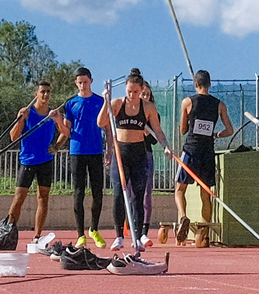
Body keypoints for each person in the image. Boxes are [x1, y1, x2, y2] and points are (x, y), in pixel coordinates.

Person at [0, 76, 65, 256]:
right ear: (36, 94)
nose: (46, 94)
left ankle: (37, 236)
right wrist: (20, 119)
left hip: (46, 161)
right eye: (42, 92)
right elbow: (13, 137)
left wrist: (56, 145)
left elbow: (66, 132)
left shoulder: (53, 114)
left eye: (48, 92)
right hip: (27, 161)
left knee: (43, 198)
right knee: (19, 198)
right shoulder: (28, 112)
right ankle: (7, 232)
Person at [104, 69, 164, 257]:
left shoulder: (148, 108)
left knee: (138, 197)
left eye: (135, 92)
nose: (132, 95)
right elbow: (100, 122)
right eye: (129, 91)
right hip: (120, 154)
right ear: (126, 89)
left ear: (141, 90)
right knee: (118, 196)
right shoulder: (117, 104)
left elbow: (158, 131)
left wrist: (166, 146)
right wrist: (106, 102)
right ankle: (119, 236)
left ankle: (137, 237)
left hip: (139, 154)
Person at [174, 69, 231, 246]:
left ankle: (183, 216)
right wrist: (215, 135)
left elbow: (183, 130)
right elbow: (229, 130)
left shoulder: (188, 102)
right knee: (205, 194)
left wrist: (188, 124)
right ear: (209, 84)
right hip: (207, 152)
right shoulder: (219, 105)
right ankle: (204, 233)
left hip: (191, 151)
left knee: (179, 189)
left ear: (196, 85)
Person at [56, 66, 109, 249]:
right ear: (75, 83)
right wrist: (57, 121)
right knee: (78, 193)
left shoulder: (100, 101)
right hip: (77, 151)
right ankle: (80, 234)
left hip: (96, 151)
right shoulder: (71, 104)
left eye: (85, 82)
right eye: (79, 83)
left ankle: (94, 228)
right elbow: (66, 131)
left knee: (98, 193)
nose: (82, 85)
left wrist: (109, 151)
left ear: (91, 81)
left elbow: (108, 129)